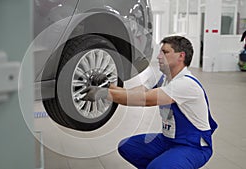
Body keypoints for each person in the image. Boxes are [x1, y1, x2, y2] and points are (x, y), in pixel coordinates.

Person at [81, 35, 218, 169]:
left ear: (181, 56)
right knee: (128, 147)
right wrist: (108, 86)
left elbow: (145, 100)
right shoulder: (163, 78)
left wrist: (104, 94)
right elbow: (134, 93)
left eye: (165, 52)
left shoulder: (185, 84)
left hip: (192, 146)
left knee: (158, 167)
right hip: (168, 140)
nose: (159, 57)